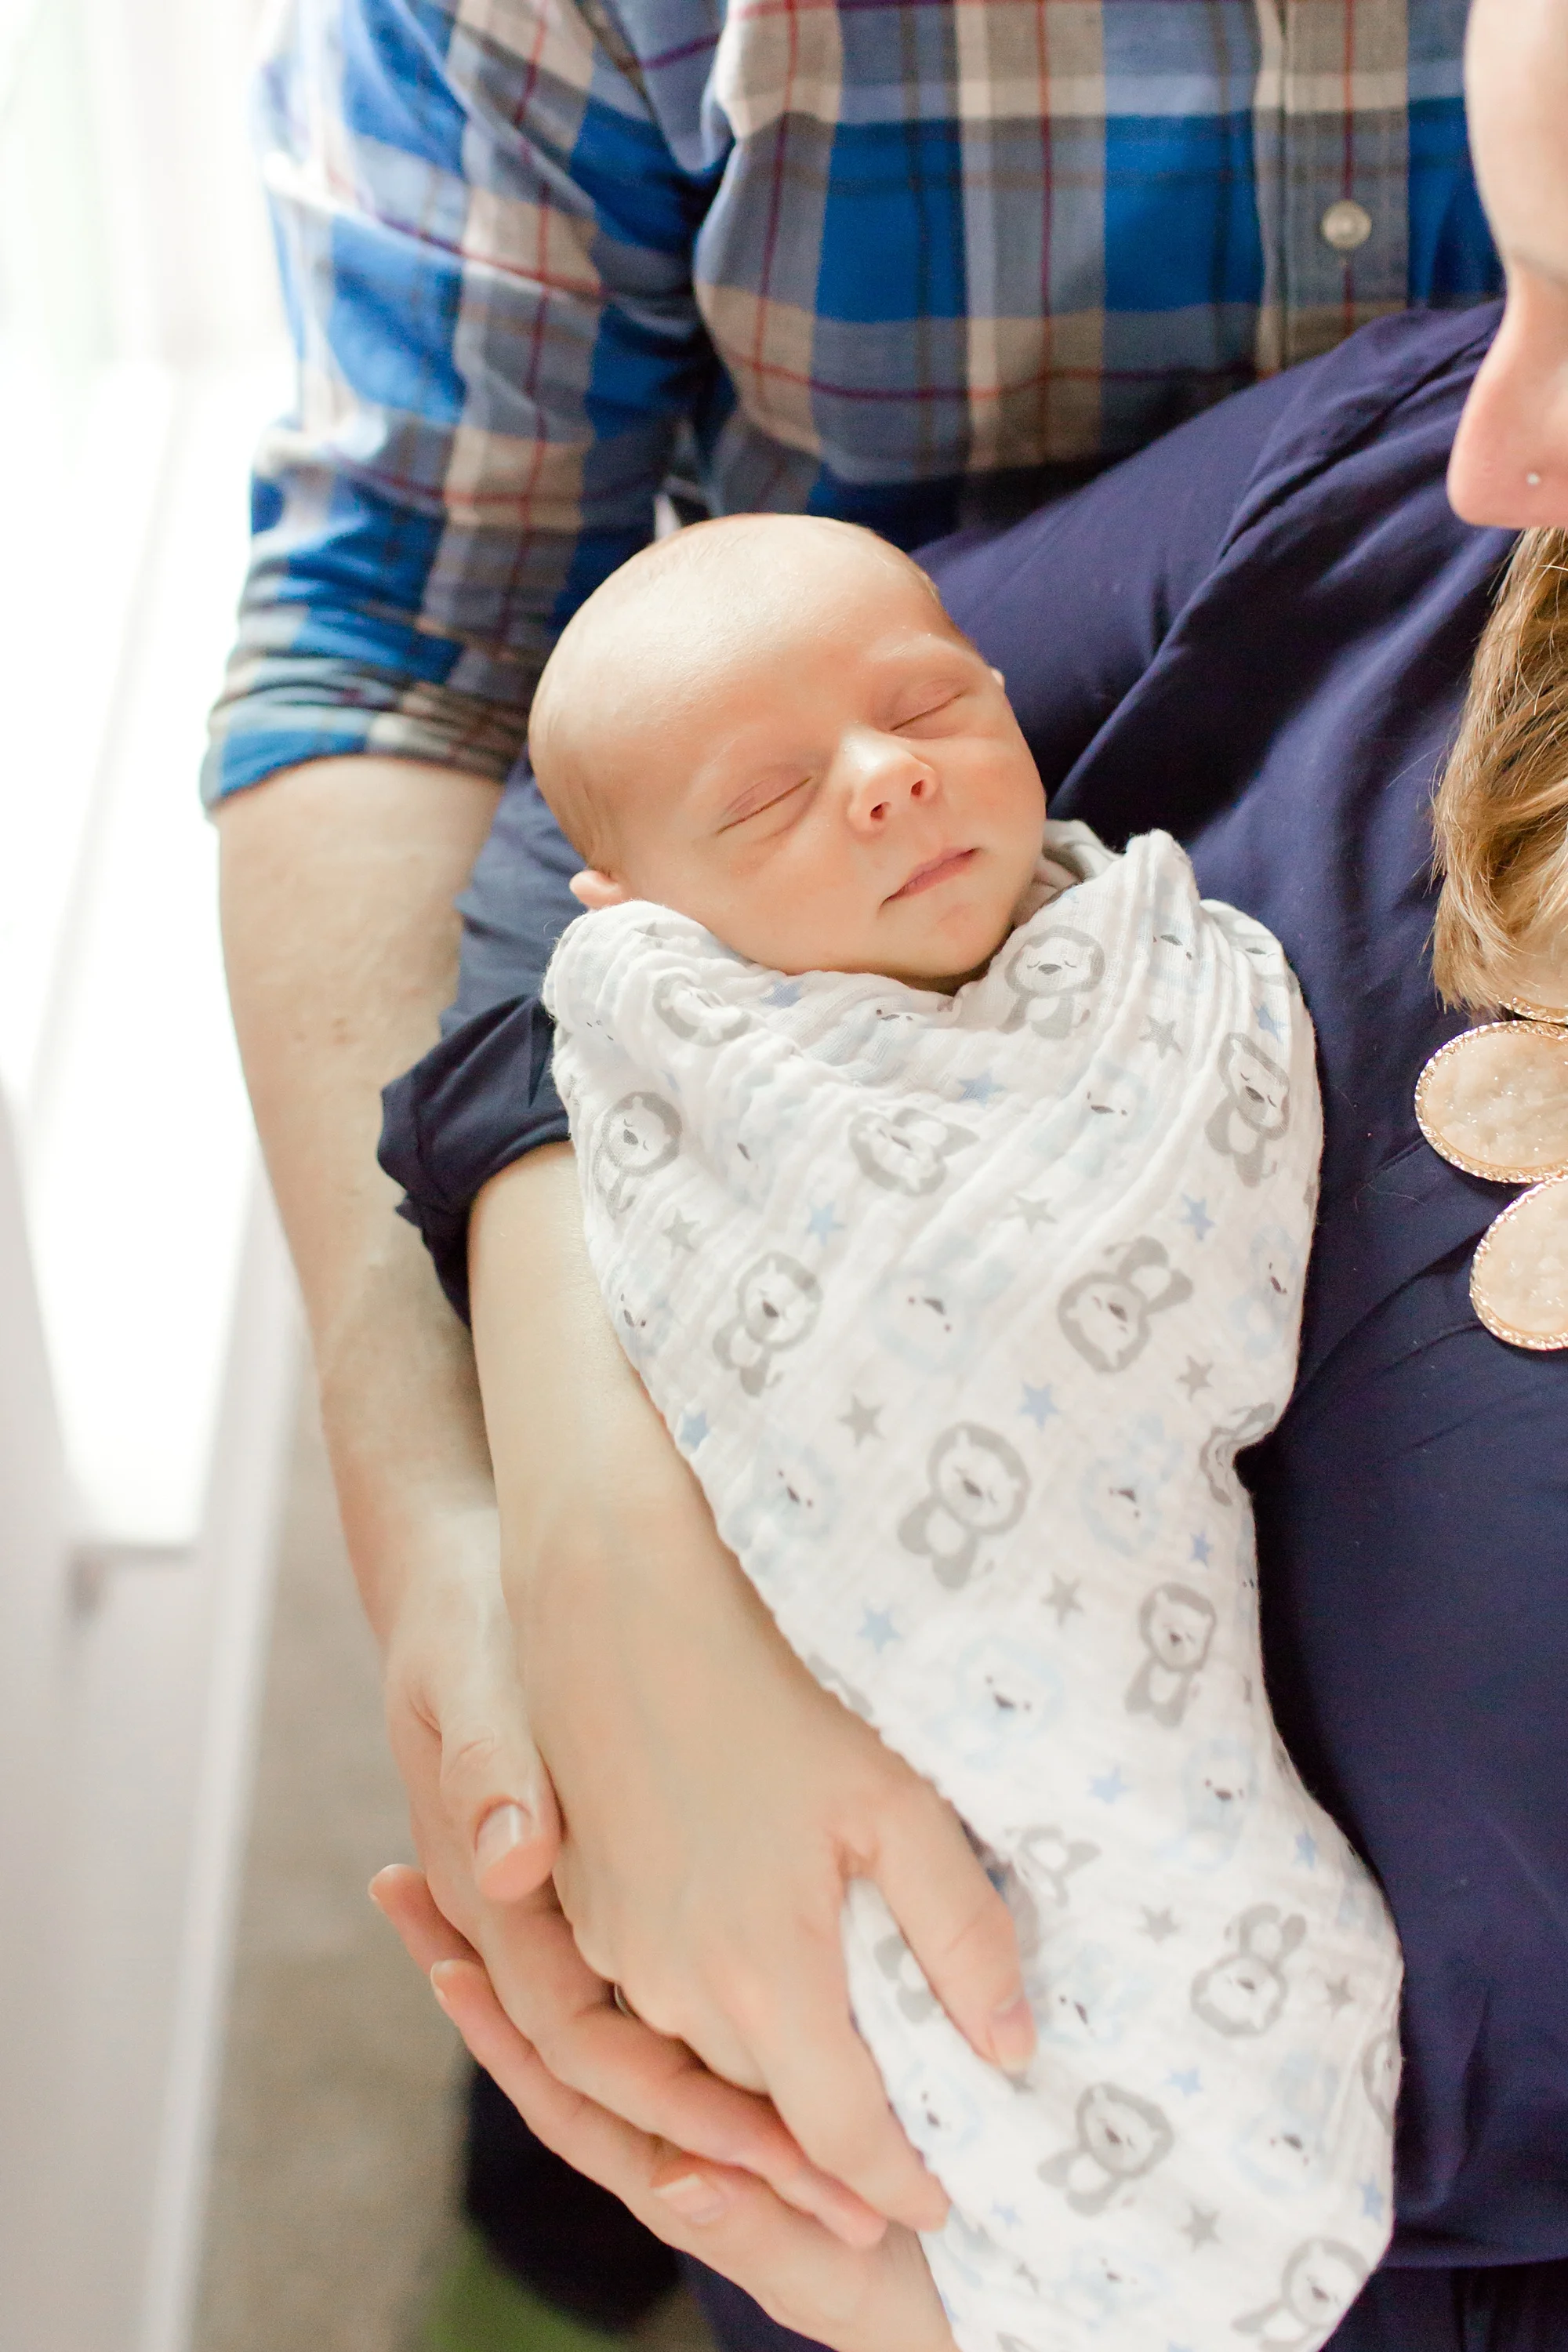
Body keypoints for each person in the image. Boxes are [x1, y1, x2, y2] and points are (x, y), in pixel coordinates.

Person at [210, 2, 1503, 2339]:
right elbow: (416, 673)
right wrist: (503, 1528)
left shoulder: (1432, 465)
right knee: (772, 2091)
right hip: (760, 1060)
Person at [528, 510, 1402, 2352]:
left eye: (928, 704)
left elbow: (1196, 1265)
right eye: (763, 804)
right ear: (637, 926)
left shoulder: (1145, 981)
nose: (883, 777)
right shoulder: (699, 1064)